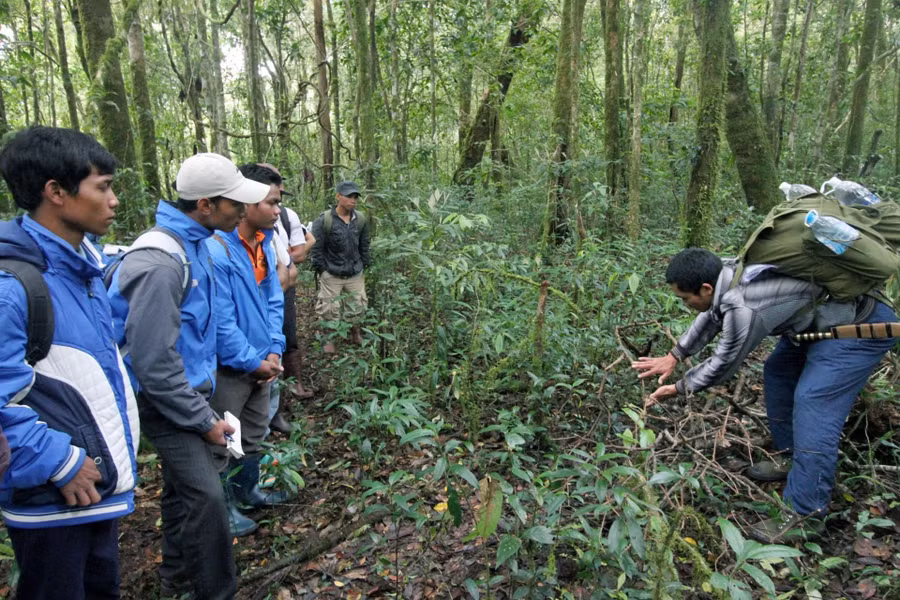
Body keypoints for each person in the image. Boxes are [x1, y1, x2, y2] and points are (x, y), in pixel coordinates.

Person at [632, 248, 897, 543]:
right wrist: (675, 355)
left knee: (813, 402)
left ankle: (806, 513)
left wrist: (680, 388)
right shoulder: (729, 273)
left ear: (706, 287)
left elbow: (724, 362)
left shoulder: (743, 306)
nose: (685, 304)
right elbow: (711, 314)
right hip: (820, 323)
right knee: (778, 371)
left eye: (685, 298)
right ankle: (793, 459)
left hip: (859, 328)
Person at [106, 152, 269, 599]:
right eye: (234, 203)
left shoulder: (198, 247)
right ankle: (215, 590)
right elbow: (153, 363)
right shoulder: (161, 263)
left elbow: (206, 328)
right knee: (207, 497)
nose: (241, 210)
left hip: (191, 393)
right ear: (205, 205)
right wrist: (202, 419)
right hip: (163, 401)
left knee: (183, 492)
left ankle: (175, 575)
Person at [0, 126, 138, 600]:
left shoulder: (83, 266)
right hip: (51, 498)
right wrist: (58, 461)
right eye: (103, 187)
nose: (114, 200)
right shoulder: (13, 285)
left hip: (93, 493)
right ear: (56, 192)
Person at [206, 163, 292, 537]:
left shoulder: (264, 243)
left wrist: (274, 349)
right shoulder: (217, 249)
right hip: (231, 367)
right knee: (225, 438)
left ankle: (247, 491)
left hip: (263, 361)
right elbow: (221, 320)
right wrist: (250, 361)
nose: (278, 211)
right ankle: (223, 508)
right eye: (272, 203)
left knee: (254, 433)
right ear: (248, 203)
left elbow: (275, 300)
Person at [258, 164, 316, 435]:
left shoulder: (284, 218)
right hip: (259, 295)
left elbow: (296, 257)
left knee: (284, 341)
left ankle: (279, 406)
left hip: (279, 294)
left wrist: (283, 271)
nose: (277, 206)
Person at [310, 180, 371, 353]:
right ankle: (329, 338)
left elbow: (364, 244)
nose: (353, 200)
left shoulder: (360, 219)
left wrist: (364, 263)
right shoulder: (325, 220)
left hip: (355, 272)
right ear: (338, 196)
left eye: (355, 197)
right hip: (332, 272)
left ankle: (355, 333)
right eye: (349, 196)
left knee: (357, 305)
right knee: (329, 308)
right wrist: (322, 269)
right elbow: (316, 247)